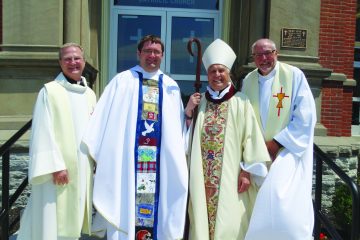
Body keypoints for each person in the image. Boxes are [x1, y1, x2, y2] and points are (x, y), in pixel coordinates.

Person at [82, 35, 188, 240]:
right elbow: (103, 121)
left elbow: (177, 131)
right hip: (128, 165)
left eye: (157, 52)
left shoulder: (170, 86)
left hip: (160, 166)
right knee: (127, 208)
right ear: (139, 53)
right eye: (148, 51)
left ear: (162, 55)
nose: (152, 56)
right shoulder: (122, 81)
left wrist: (190, 114)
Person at [185, 39, 271, 240]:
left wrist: (246, 172)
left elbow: (251, 139)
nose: (217, 75)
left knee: (231, 222)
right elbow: (187, 138)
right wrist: (189, 112)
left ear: (228, 73)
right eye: (213, 71)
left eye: (221, 71)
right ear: (208, 75)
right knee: (200, 220)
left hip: (232, 178)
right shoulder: (200, 101)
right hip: (201, 175)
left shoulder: (241, 101)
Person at [17, 43, 97, 239]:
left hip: (82, 166)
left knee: (74, 215)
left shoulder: (90, 94)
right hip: (58, 169)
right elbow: (42, 130)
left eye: (76, 58)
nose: (73, 62)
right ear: (60, 63)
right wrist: (56, 166)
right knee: (52, 218)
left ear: (84, 62)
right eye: (67, 59)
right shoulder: (49, 91)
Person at [242, 38, 317, 240]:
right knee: (257, 207)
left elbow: (305, 116)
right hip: (257, 153)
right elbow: (243, 117)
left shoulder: (293, 75)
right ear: (254, 58)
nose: (264, 58)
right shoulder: (248, 80)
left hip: (287, 152)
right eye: (259, 54)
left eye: (268, 53)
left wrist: (276, 144)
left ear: (276, 54)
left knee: (282, 205)